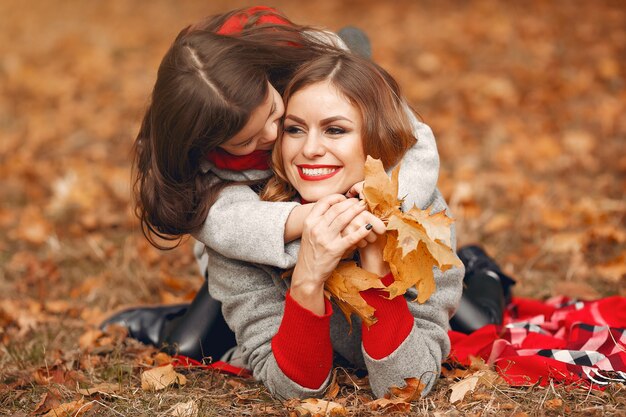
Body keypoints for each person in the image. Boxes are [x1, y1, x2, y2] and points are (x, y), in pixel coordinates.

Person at [102, 6, 511, 363]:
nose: (272, 136)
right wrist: (308, 222)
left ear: (266, 77)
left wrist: (380, 206)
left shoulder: (305, 61)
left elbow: (415, 141)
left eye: (277, 115)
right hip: (266, 251)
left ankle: (483, 270)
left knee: (479, 325)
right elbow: (225, 224)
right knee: (188, 345)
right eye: (247, 140)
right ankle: (169, 320)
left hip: (359, 215)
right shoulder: (196, 154)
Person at [200, 51, 462, 399]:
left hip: (440, 293)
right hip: (220, 293)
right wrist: (307, 278)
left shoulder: (421, 214)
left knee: (478, 306)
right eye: (294, 129)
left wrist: (376, 267)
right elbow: (291, 391)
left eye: (335, 130)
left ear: (374, 136)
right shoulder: (244, 231)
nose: (310, 149)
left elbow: (407, 386)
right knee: (192, 338)